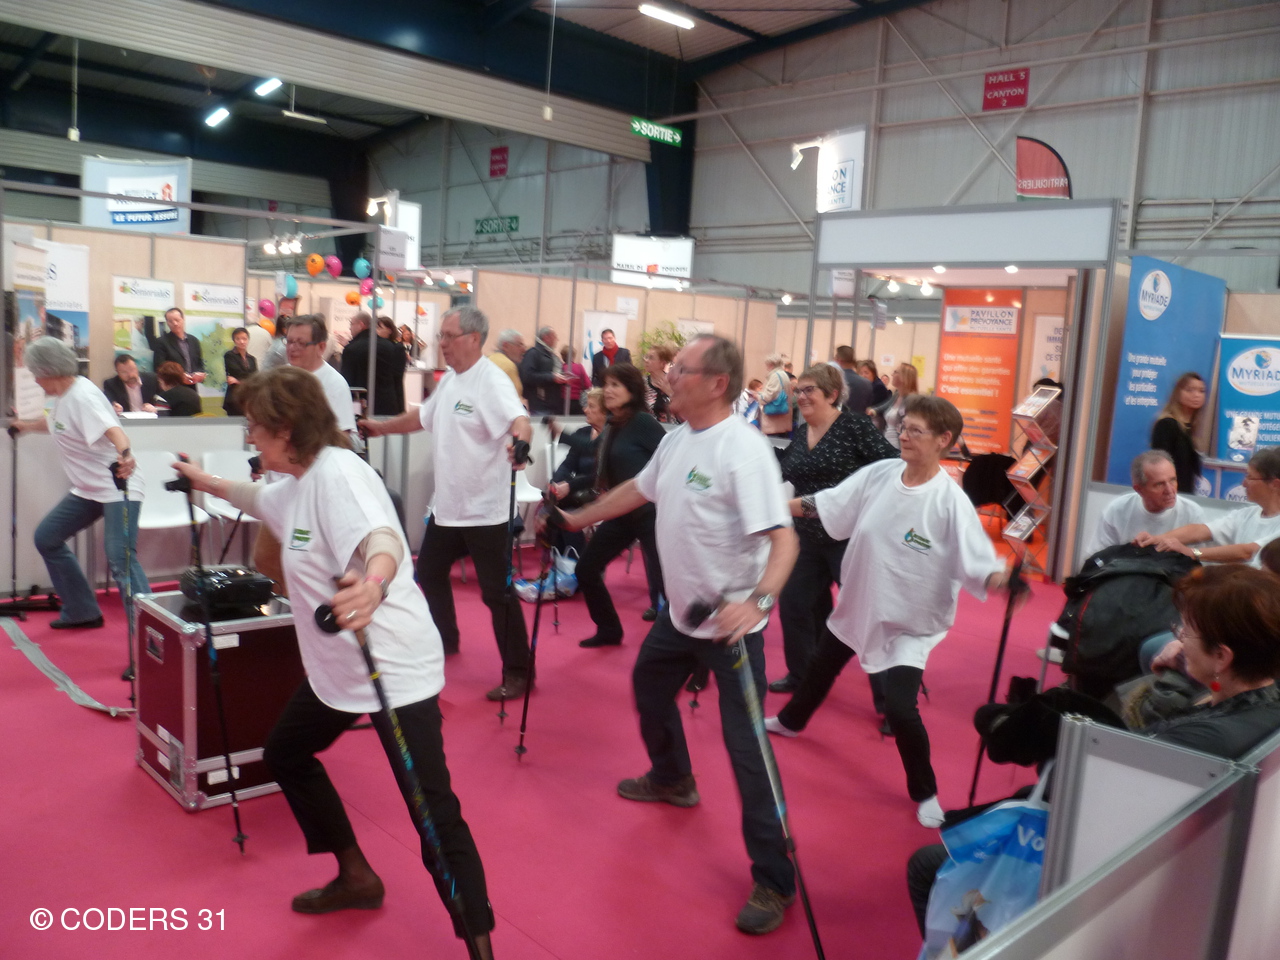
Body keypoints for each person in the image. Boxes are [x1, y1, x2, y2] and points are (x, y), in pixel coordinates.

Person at [169, 367, 496, 959]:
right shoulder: (296, 484)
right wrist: (201, 481)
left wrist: (373, 584)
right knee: (286, 754)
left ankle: (481, 946)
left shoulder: (339, 475)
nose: (250, 437)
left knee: (432, 813)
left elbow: (380, 539)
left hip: (393, 668)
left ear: (287, 429)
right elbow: (251, 496)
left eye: (256, 427)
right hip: (338, 674)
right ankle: (357, 877)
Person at [554, 335, 801, 936]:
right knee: (648, 688)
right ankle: (673, 777)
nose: (669, 375)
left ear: (717, 382)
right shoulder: (677, 439)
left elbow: (784, 540)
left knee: (748, 754)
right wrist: (579, 518)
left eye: (681, 369)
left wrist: (758, 602)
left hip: (731, 627)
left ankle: (775, 879)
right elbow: (640, 489)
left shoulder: (743, 451)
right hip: (681, 618)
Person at [906, 563, 1280, 940]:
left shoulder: (1199, 742)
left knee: (927, 867)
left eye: (1187, 632)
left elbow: (1098, 798)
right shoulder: (1257, 705)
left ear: (1222, 656)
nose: (1179, 638)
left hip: (1114, 874)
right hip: (1190, 862)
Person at [765, 395, 1012, 829]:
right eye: (904, 427)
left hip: (910, 623)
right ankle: (790, 721)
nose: (904, 436)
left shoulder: (950, 501)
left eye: (916, 430)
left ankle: (926, 792)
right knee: (822, 665)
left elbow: (978, 560)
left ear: (944, 439)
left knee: (900, 709)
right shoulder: (880, 474)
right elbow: (827, 504)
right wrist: (771, 508)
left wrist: (1000, 579)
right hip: (862, 602)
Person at [362, 307, 534, 701]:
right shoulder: (452, 380)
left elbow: (519, 420)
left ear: (473, 338)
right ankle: (446, 637)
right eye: (441, 336)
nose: (441, 343)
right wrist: (381, 428)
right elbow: (422, 418)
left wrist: (521, 443)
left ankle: (520, 672)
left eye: (448, 336)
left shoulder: (491, 380)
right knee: (429, 571)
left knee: (497, 594)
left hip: (486, 512)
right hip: (449, 509)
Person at [769, 364, 898, 696]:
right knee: (794, 603)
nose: (801, 397)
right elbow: (784, 470)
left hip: (849, 540)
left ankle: (890, 699)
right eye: (798, 391)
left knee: (864, 615)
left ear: (832, 394)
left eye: (809, 390)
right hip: (807, 540)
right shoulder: (801, 434)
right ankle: (803, 677)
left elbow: (892, 466)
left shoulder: (854, 426)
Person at [12, 337, 150, 630]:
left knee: (120, 558)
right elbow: (56, 424)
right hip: (89, 489)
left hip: (118, 484)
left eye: (36, 374)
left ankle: (150, 635)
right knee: (47, 538)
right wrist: (26, 426)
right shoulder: (63, 397)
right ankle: (81, 610)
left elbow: (113, 429)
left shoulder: (82, 397)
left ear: (49, 371)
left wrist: (126, 454)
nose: (35, 380)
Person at [563, 363, 666, 647]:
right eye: (605, 384)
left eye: (615, 385)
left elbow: (670, 459)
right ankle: (609, 629)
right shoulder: (612, 423)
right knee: (586, 570)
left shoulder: (643, 422)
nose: (607, 390)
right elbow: (598, 458)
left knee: (669, 585)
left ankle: (692, 653)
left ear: (631, 390)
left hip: (649, 512)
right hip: (621, 512)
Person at [1137, 446, 1280, 567]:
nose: (1243, 483)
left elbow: (1248, 551)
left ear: (1275, 484)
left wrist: (1192, 552)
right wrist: (1157, 539)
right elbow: (1203, 530)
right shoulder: (1245, 515)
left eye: (1250, 477)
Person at [1088, 450, 1206, 556]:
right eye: (1159, 484)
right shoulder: (1117, 511)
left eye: (1172, 480)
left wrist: (1186, 551)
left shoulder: (1192, 513)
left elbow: (1202, 560)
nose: (1170, 490)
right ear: (1139, 489)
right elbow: (1096, 559)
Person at [287, 315, 358, 442]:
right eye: (289, 341)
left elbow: (343, 434)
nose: (292, 348)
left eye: (301, 343)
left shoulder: (335, 384)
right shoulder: (281, 377)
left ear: (321, 347)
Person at [1151, 371, 1207, 494]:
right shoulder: (1166, 425)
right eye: (1190, 390)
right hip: (1169, 494)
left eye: (1201, 391)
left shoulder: (1190, 427)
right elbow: (1160, 466)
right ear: (1178, 393)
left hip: (1187, 493)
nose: (1196, 395)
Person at [341, 312, 406, 416]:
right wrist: (401, 410)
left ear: (361, 325)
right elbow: (397, 383)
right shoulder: (391, 347)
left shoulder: (351, 349)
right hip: (388, 405)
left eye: (351, 324)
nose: (350, 328)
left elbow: (347, 383)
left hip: (361, 406)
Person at [145, 307, 206, 384]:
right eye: (170, 321)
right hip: (172, 385)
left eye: (177, 320)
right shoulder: (162, 342)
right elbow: (160, 367)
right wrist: (180, 376)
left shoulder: (193, 340)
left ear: (183, 319)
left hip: (192, 385)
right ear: (167, 323)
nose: (175, 323)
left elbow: (199, 363)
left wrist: (200, 374)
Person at [521, 325, 568, 415]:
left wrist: (564, 379)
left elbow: (555, 372)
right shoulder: (533, 353)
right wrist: (552, 377)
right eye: (555, 336)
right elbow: (527, 376)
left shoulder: (552, 355)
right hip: (540, 404)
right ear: (546, 338)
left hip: (553, 403)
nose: (557, 340)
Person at [872, 363, 919, 449]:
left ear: (904, 377)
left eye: (895, 372)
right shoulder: (897, 394)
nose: (892, 374)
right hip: (887, 443)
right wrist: (873, 410)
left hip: (898, 447)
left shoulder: (912, 400)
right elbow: (885, 405)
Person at [642, 342, 681, 424]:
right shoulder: (642, 383)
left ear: (662, 363)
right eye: (646, 357)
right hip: (648, 426)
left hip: (672, 427)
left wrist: (670, 393)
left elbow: (685, 408)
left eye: (651, 358)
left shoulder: (674, 381)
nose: (646, 360)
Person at [223, 327, 258, 416]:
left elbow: (255, 377)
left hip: (249, 397)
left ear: (248, 339)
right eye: (238, 339)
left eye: (244, 339)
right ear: (234, 340)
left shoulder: (252, 359)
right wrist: (248, 380)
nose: (242, 341)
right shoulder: (229, 355)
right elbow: (238, 373)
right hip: (234, 397)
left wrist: (238, 381)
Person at [756, 353, 793, 438]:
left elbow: (769, 395)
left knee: (774, 443)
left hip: (774, 421)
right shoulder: (783, 374)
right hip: (781, 419)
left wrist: (758, 396)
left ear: (771, 364)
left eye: (767, 365)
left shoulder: (775, 376)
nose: (766, 368)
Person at [834, 346, 873, 417]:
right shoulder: (867, 383)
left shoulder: (835, 380)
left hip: (839, 420)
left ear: (838, 360)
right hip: (860, 421)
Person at [488, 329, 526, 399]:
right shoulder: (509, 366)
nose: (524, 349)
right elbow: (513, 398)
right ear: (506, 346)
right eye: (519, 345)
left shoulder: (489, 359)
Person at [559, 345, 592, 416]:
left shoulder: (560, 368)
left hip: (562, 402)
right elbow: (588, 385)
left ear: (562, 356)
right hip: (577, 401)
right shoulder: (579, 367)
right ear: (573, 356)